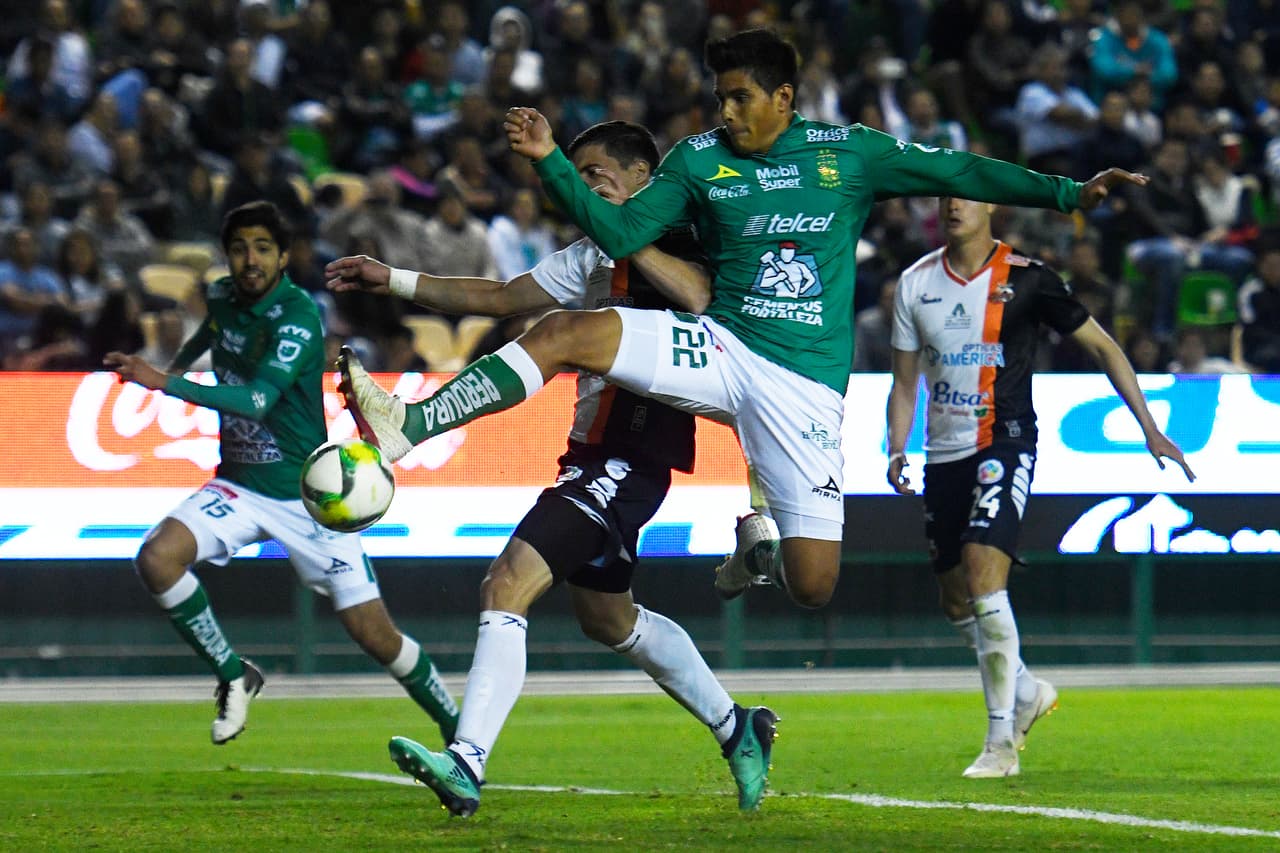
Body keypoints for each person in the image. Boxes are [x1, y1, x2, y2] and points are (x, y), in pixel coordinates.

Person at [338, 26, 1146, 640]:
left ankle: (751, 543)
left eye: (739, 98)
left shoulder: (848, 155)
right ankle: (412, 423)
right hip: (724, 348)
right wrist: (551, 160)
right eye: (719, 97)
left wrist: (1068, 193)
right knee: (566, 331)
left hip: (805, 389)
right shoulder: (697, 161)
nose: (724, 111)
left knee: (813, 584)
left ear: (784, 98)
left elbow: (958, 170)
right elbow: (621, 234)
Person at [325, 121, 777, 816]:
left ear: (644, 178)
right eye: (580, 174)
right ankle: (736, 725)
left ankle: (467, 761)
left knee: (506, 582)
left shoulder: (687, 236)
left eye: (597, 173)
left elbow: (700, 298)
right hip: (593, 453)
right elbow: (499, 297)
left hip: (633, 452)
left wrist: (632, 238)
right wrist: (395, 279)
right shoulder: (592, 255)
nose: (584, 186)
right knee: (608, 617)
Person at [102, 201, 458, 747]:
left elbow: (257, 399)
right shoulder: (221, 296)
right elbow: (212, 332)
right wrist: (177, 364)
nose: (251, 259)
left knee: (375, 635)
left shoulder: (297, 316)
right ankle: (233, 675)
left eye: (263, 248)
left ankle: (457, 728)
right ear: (227, 255)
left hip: (310, 495)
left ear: (284, 257)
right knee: (156, 557)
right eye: (240, 248)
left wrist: (164, 382)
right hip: (239, 485)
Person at [884, 196, 1195, 778]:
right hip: (942, 454)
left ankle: (1000, 741)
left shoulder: (1028, 279)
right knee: (956, 600)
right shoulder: (915, 282)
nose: (953, 206)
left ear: (989, 206)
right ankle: (1026, 690)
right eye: (945, 198)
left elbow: (1102, 345)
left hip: (1005, 442)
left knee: (982, 572)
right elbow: (905, 382)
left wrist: (1149, 427)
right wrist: (897, 446)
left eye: (964, 197)